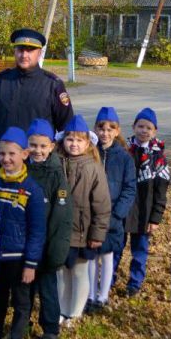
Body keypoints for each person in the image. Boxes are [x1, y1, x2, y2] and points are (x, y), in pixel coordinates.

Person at [0, 127, 46, 339]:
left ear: (25, 154)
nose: (6, 159)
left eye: (11, 154)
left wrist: (31, 263)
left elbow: (37, 231)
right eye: (1, 154)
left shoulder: (32, 190)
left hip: (20, 259)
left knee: (21, 303)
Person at [0, 28, 74, 174]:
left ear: (39, 53)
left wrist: (61, 159)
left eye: (30, 50)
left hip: (38, 163)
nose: (24, 55)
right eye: (20, 49)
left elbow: (66, 126)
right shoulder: (2, 80)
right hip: (6, 161)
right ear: (15, 51)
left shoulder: (52, 84)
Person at [57, 115, 110, 324]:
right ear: (63, 140)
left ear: (87, 143)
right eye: (70, 139)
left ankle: (76, 312)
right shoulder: (56, 163)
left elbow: (102, 204)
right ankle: (62, 310)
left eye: (79, 140)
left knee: (79, 272)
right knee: (61, 273)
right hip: (60, 232)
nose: (74, 144)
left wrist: (97, 233)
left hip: (83, 231)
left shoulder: (93, 168)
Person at [24, 118, 72, 339]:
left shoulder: (56, 174)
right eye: (33, 145)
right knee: (23, 290)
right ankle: (21, 323)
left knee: (47, 290)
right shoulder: (21, 170)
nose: (38, 151)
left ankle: (50, 328)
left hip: (45, 246)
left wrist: (53, 249)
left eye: (43, 146)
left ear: (52, 146)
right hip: (23, 243)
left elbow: (60, 216)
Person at [86, 107, 137, 312]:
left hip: (113, 216)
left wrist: (118, 213)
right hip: (91, 214)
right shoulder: (90, 153)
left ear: (117, 131)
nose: (105, 133)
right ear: (95, 129)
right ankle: (90, 294)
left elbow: (129, 187)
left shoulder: (124, 157)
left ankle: (103, 295)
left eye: (110, 129)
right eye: (101, 128)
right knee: (90, 256)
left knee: (107, 255)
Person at [118, 107, 169, 298]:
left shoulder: (158, 158)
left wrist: (155, 217)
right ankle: (111, 277)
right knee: (116, 246)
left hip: (144, 212)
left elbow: (161, 191)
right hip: (124, 207)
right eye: (140, 126)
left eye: (148, 127)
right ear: (133, 127)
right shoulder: (124, 150)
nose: (143, 131)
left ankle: (135, 282)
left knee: (140, 250)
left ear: (154, 131)